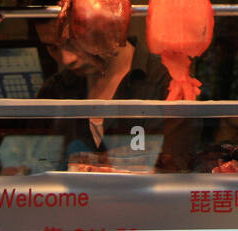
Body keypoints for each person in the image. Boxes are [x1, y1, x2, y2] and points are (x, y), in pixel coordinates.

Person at [35, 32, 195, 172]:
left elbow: (174, 166)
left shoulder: (168, 82)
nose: (67, 59)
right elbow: (32, 164)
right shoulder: (55, 90)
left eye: (73, 41)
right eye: (52, 48)